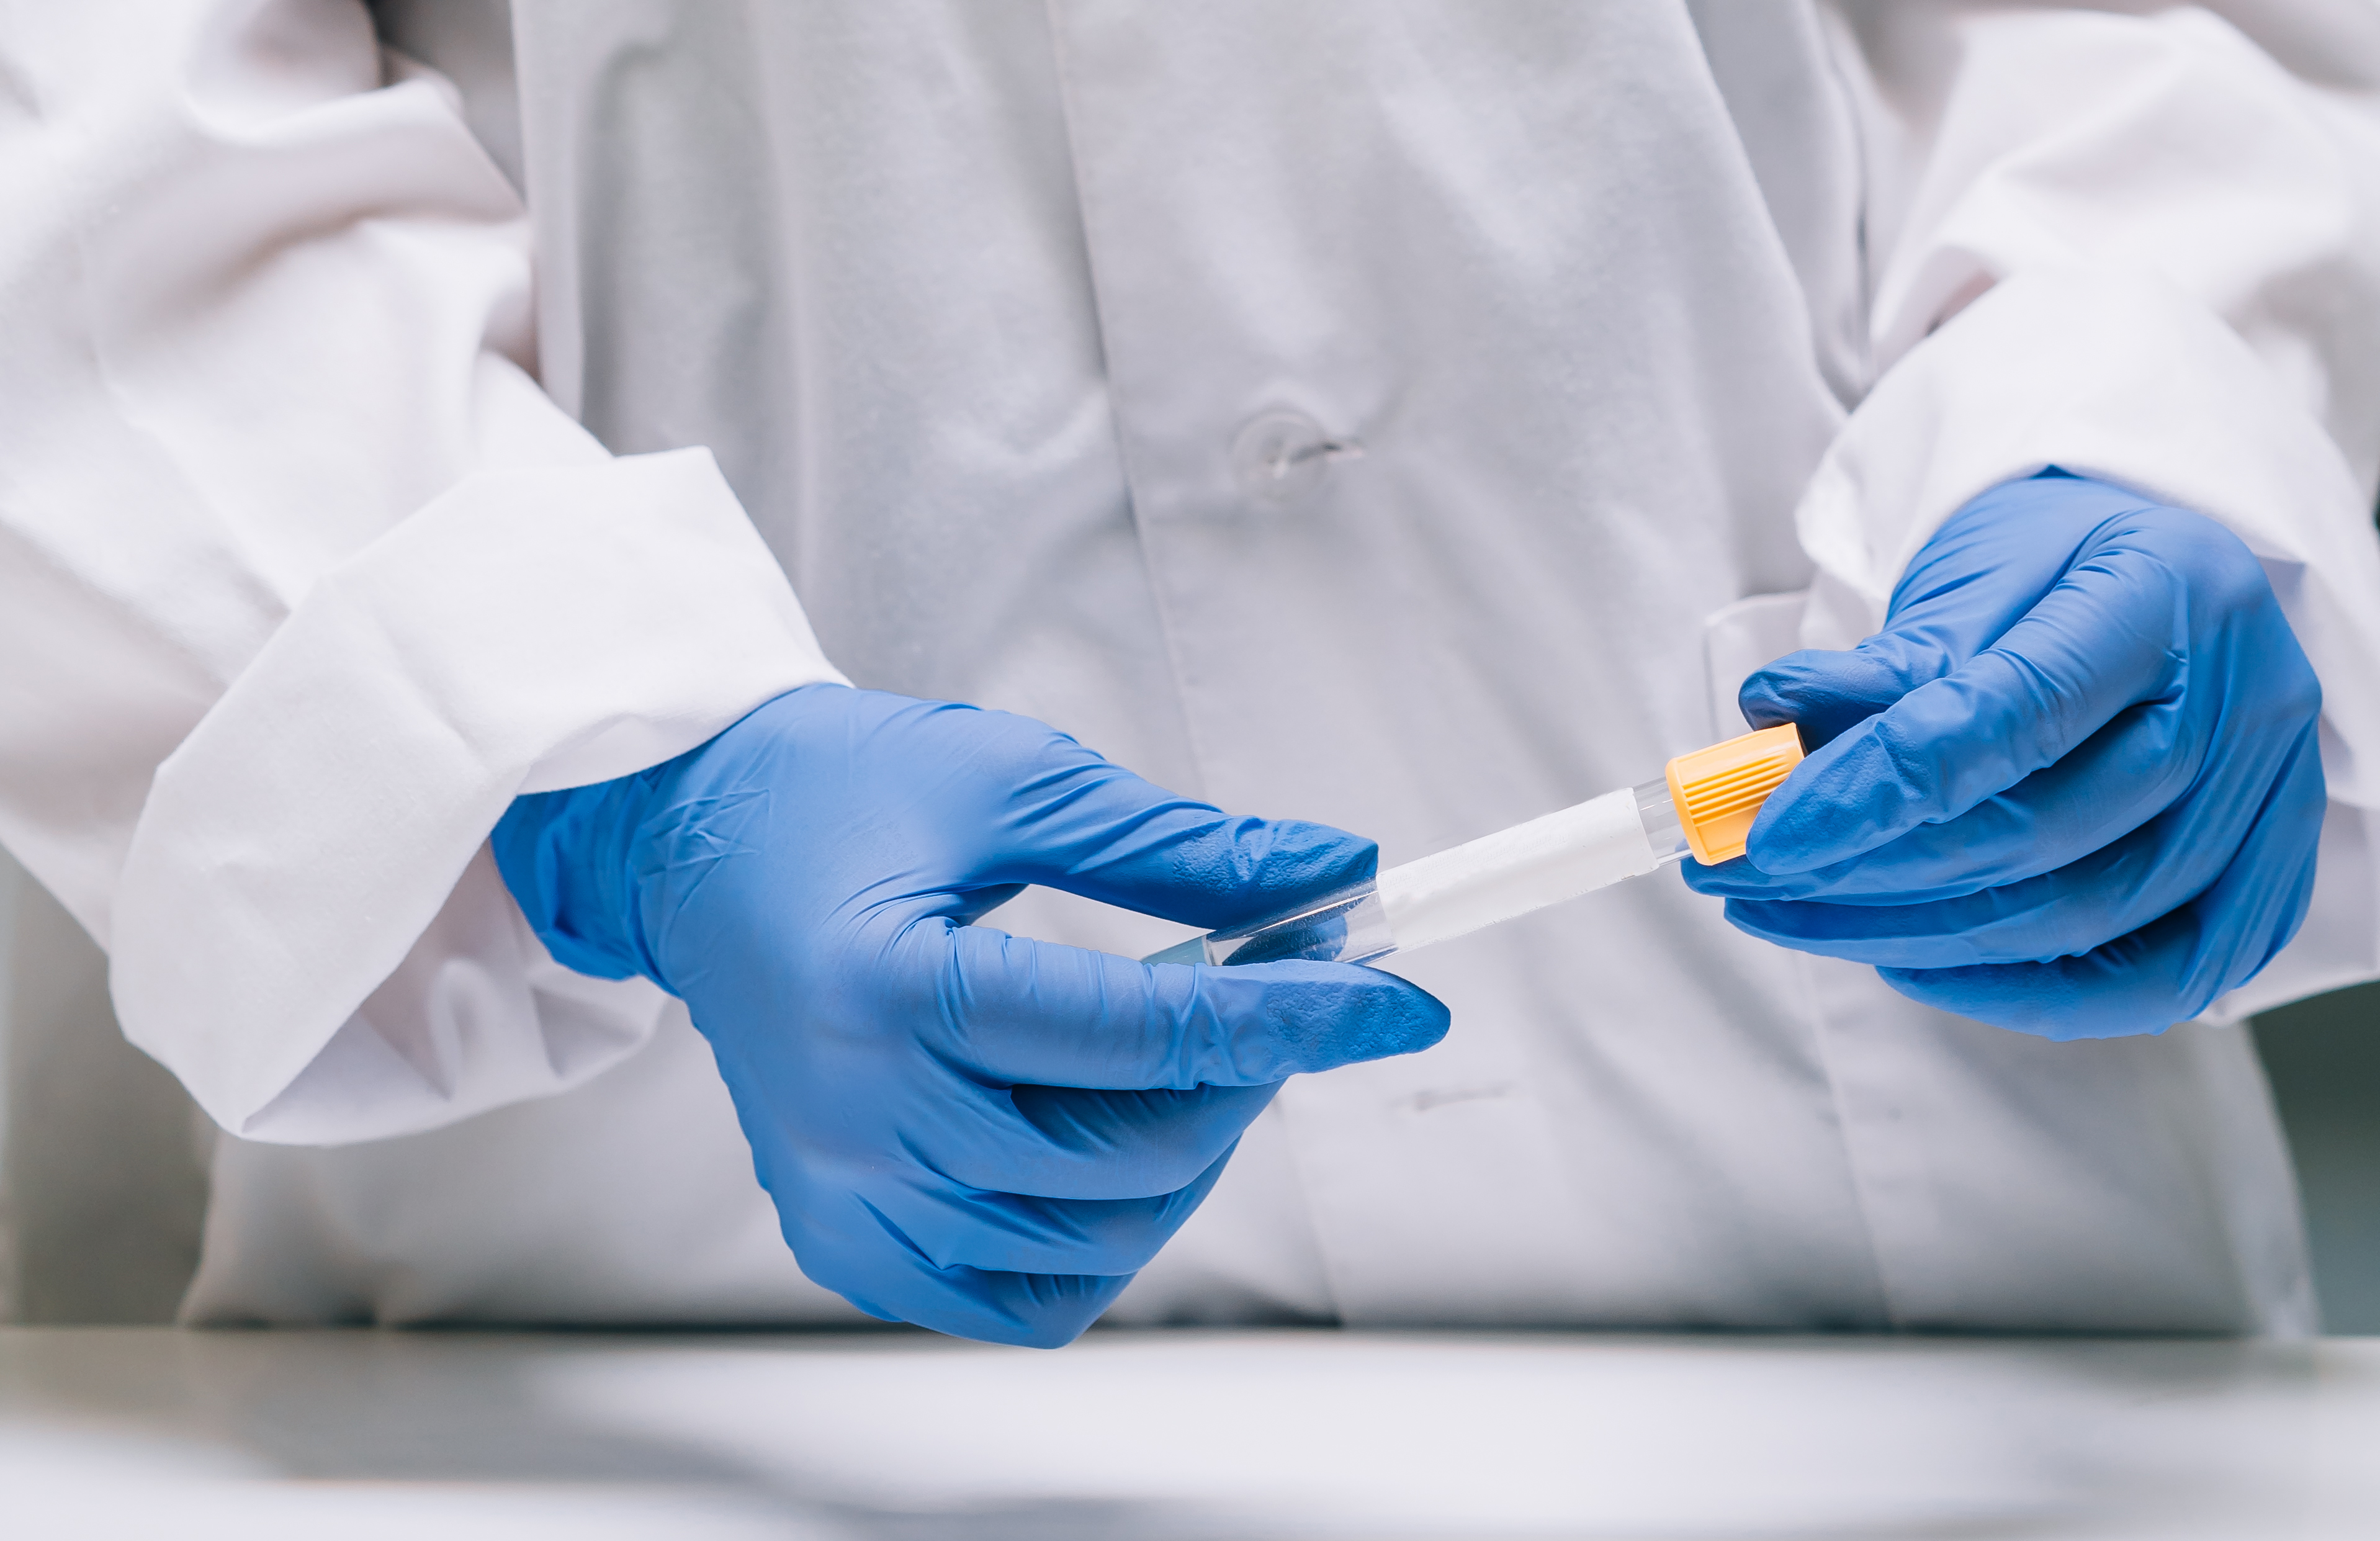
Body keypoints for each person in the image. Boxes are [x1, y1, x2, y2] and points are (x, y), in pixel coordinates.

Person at [6, 0, 2379, 1342]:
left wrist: (2140, 400)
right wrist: (578, 758)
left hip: (1930, 1353)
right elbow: (93, 126)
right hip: (652, 1351)